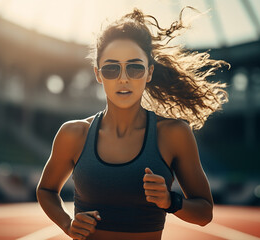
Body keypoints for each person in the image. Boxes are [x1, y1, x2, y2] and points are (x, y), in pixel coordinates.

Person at [36, 6, 229, 240]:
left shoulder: (174, 134)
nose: (123, 78)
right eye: (111, 68)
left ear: (149, 73)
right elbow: (46, 190)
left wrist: (170, 201)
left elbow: (204, 212)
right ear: (98, 74)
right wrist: (67, 224)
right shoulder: (73, 134)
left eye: (135, 67)